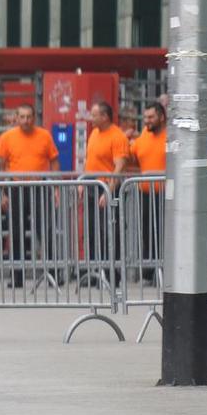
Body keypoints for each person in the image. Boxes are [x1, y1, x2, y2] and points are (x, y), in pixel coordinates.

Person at [0, 104, 60, 287]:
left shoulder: (44, 135)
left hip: (39, 186)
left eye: (29, 117)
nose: (26, 120)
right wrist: (2, 192)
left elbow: (54, 161)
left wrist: (56, 188)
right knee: (16, 232)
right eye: (22, 117)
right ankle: (17, 276)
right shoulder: (7, 137)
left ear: (34, 118)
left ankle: (53, 273)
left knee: (45, 229)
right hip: (16, 187)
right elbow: (1, 166)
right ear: (16, 117)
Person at [83, 102, 129, 282]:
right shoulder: (94, 133)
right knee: (93, 230)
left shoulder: (117, 137)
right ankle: (97, 270)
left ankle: (112, 272)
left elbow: (120, 165)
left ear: (105, 117)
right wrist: (82, 182)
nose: (90, 118)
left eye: (94, 115)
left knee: (110, 229)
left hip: (108, 187)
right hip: (93, 186)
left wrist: (108, 191)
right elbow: (90, 160)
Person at [130, 101, 167, 284]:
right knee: (147, 234)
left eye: (151, 117)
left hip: (168, 195)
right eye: (145, 117)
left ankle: (166, 272)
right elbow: (132, 160)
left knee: (166, 234)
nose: (147, 121)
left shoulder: (172, 137)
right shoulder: (143, 136)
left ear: (161, 117)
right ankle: (147, 273)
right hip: (145, 194)